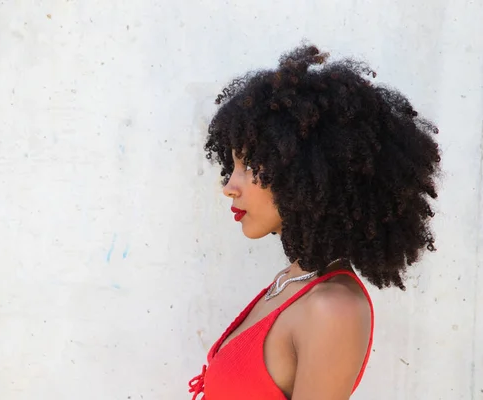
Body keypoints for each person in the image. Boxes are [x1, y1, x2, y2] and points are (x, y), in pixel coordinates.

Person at [188, 44, 441, 400]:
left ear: (306, 172)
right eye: (232, 167)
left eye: (249, 166)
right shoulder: (290, 283)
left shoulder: (332, 308)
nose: (230, 187)